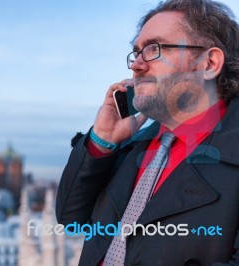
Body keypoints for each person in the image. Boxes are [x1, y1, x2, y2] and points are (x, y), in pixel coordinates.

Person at [55, 0, 239, 265]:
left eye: (155, 49)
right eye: (137, 52)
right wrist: (102, 140)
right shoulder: (131, 142)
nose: (136, 66)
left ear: (209, 63)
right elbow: (70, 218)